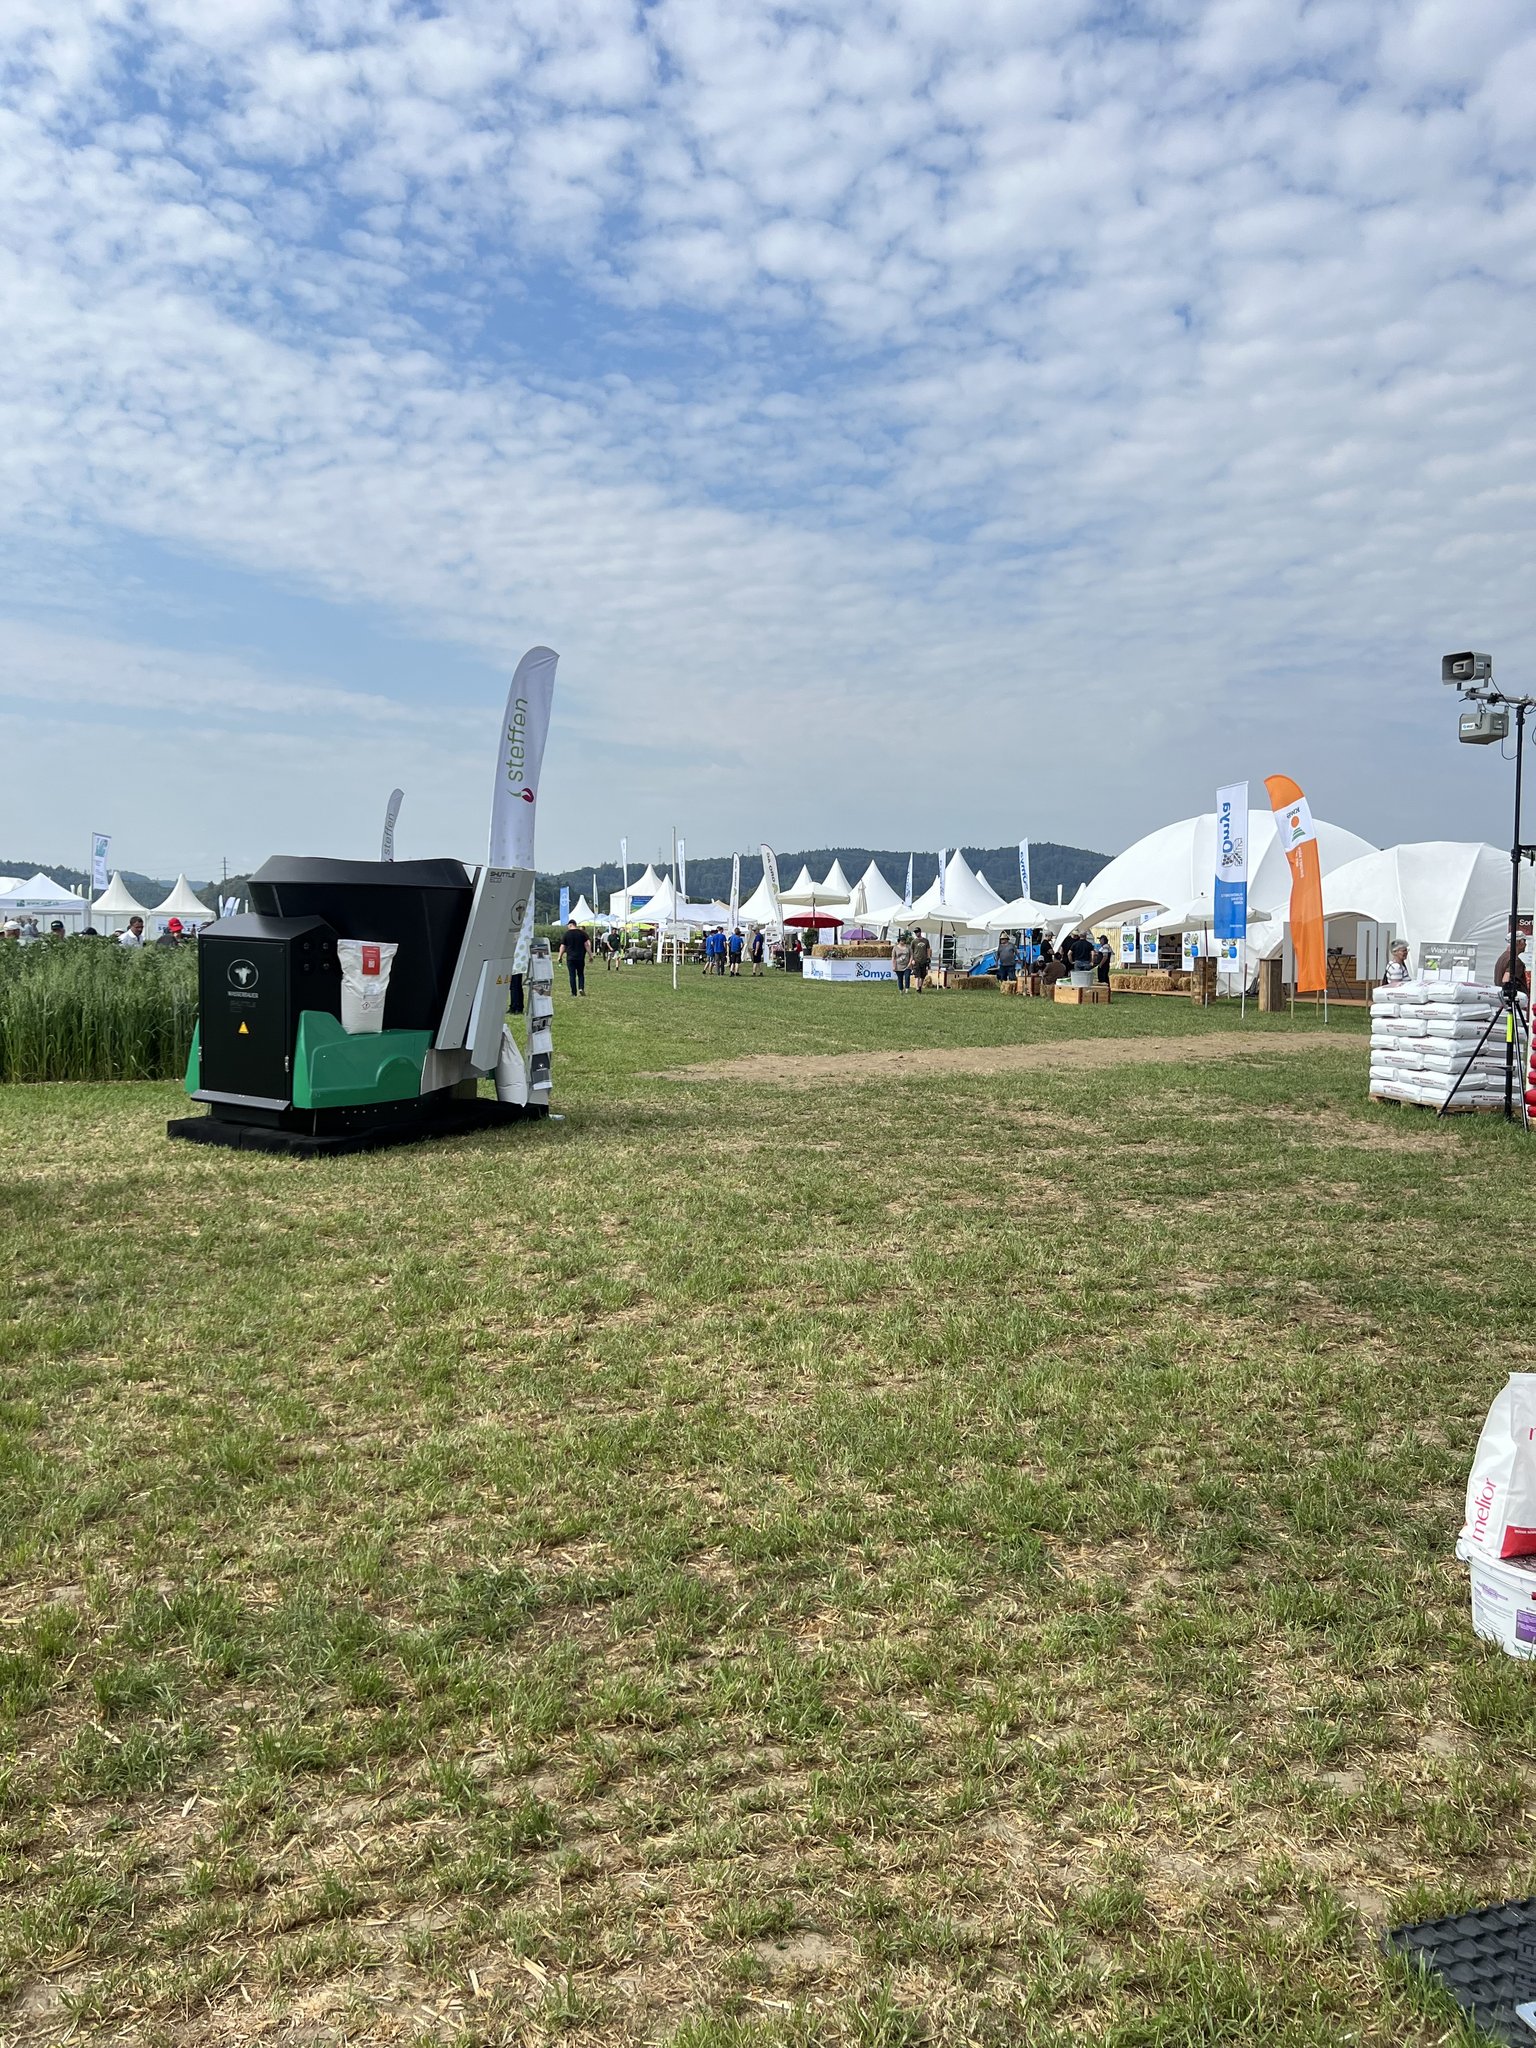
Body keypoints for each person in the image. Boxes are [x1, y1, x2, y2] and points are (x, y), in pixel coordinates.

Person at [557, 918, 588, 996]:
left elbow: (563, 946)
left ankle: (574, 993)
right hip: (580, 957)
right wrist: (590, 955)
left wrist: (560, 956)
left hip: (570, 958)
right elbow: (586, 945)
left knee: (572, 975)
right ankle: (581, 988)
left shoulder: (566, 934)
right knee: (580, 974)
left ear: (570, 925)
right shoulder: (582, 933)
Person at [1496, 929, 1529, 998]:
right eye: (1524, 941)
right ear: (1519, 942)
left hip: (1502, 998)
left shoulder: (1503, 957)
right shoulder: (1515, 961)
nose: (1526, 944)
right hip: (1512, 999)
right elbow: (1506, 981)